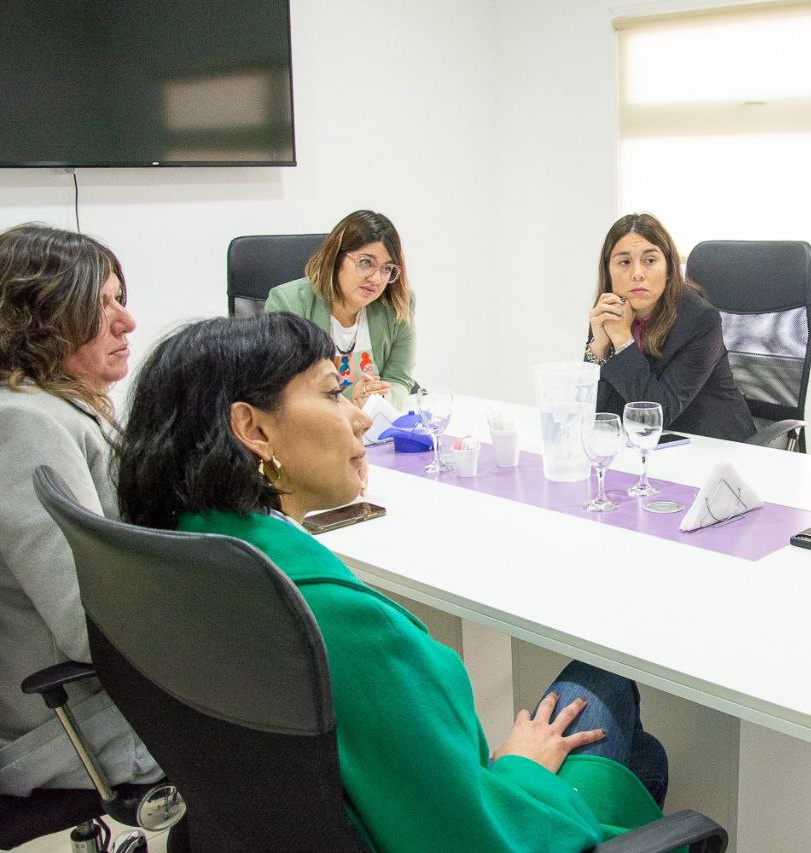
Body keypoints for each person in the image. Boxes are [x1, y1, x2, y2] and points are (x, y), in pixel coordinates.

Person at [115, 314, 669, 851]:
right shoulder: (338, 624)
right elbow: (476, 837)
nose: (361, 417)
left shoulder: (177, 560)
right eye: (334, 394)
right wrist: (521, 769)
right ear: (253, 429)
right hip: (469, 828)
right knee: (604, 683)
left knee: (643, 756)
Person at [0, 224, 161, 795]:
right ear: (35, 320)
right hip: (65, 727)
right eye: (100, 304)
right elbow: (91, 627)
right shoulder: (22, 422)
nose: (127, 321)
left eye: (120, 299)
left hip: (91, 704)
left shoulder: (51, 408)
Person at [587, 213, 754, 442]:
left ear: (668, 269)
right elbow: (593, 414)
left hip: (711, 446)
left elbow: (657, 414)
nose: (637, 274)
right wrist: (598, 349)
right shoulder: (609, 314)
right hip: (643, 446)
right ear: (608, 271)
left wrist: (623, 341)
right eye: (624, 262)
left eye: (649, 260)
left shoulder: (701, 320)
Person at [266, 209, 417, 410]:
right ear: (336, 259)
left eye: (387, 268)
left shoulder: (397, 304)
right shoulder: (289, 303)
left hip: (370, 428)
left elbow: (398, 378)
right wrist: (349, 397)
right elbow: (286, 388)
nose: (376, 279)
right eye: (365, 263)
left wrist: (378, 401)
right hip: (311, 428)